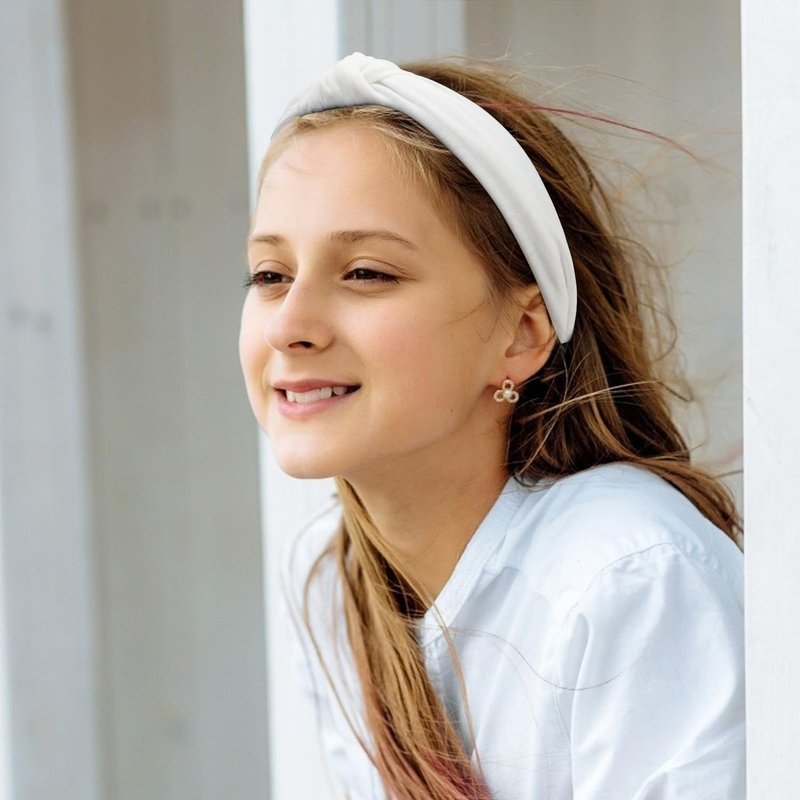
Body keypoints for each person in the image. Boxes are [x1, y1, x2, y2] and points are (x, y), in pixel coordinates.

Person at [238, 52, 744, 800]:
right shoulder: (328, 577)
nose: (289, 324)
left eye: (367, 272)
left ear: (521, 334)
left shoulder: (630, 574)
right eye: (270, 275)